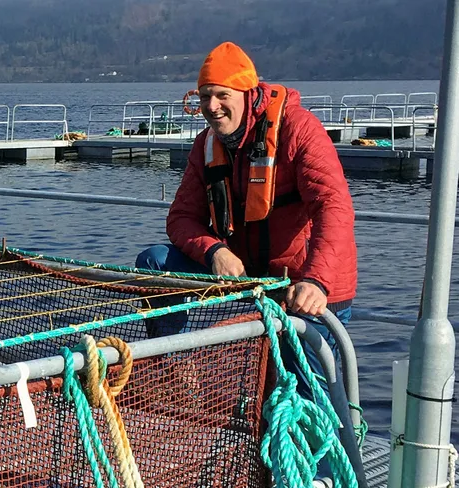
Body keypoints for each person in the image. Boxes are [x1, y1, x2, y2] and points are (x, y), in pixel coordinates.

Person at [136, 42, 358, 400]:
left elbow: (334, 207)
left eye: (222, 95)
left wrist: (316, 282)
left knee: (307, 407)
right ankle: (173, 367)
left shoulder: (298, 130)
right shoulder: (205, 145)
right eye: (205, 96)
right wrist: (214, 252)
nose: (212, 106)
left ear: (247, 92)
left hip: (306, 287)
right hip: (246, 276)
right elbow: (180, 218)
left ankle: (328, 452)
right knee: (154, 262)